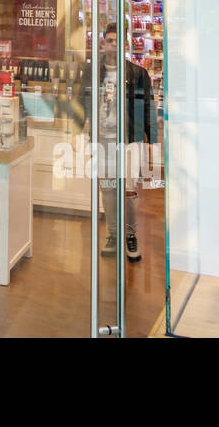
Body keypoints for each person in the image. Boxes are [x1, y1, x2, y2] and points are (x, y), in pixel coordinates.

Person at [93, 22, 156, 262]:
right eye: (109, 40)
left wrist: (151, 139)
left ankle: (131, 235)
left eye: (118, 41)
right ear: (103, 44)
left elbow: (148, 106)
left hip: (130, 140)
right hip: (104, 140)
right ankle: (112, 234)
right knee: (108, 188)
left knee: (129, 190)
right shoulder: (96, 72)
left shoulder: (138, 73)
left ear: (126, 45)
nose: (113, 45)